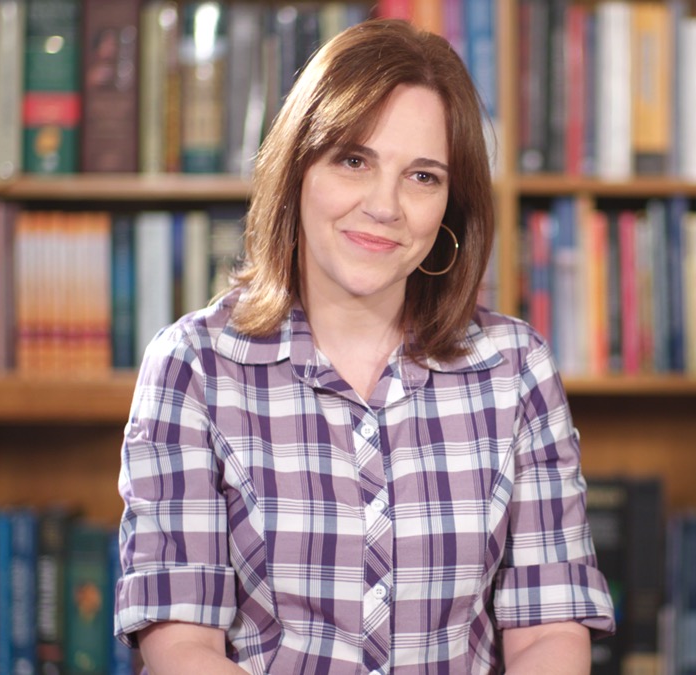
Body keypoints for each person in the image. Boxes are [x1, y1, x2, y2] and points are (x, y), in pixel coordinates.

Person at [113, 18, 615, 675]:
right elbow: (181, 643)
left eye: (423, 176)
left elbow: (550, 628)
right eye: (354, 160)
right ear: (298, 168)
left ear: (451, 206)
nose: (385, 205)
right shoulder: (194, 367)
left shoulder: (516, 368)